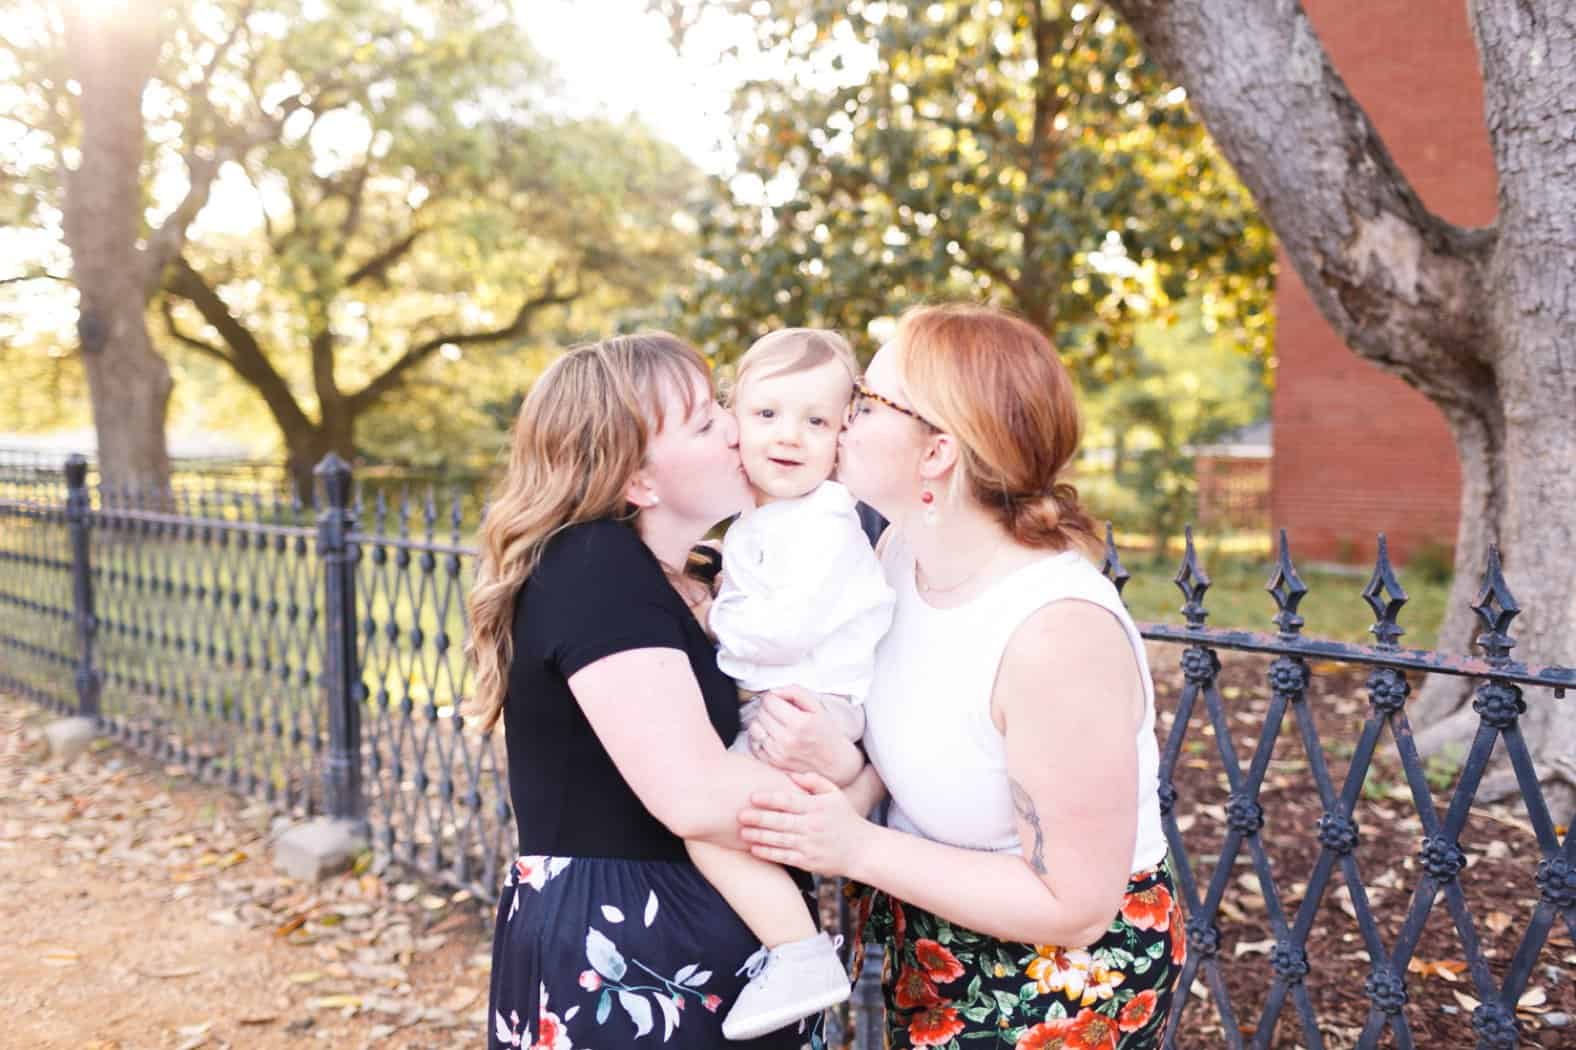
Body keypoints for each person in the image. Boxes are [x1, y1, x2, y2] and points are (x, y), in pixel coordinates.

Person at [737, 304, 1186, 1049]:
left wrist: (852, 847)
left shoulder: (1056, 635)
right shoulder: (899, 561)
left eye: (868, 402)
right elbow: (913, 746)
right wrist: (837, 759)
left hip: (1054, 982)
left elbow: (1075, 906)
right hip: (926, 938)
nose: (840, 414)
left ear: (938, 452)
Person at [466, 333, 865, 1050]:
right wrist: (858, 792)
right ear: (639, 480)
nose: (737, 429)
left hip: (692, 939)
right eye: (707, 421)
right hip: (630, 949)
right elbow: (695, 795)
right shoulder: (594, 564)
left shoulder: (695, 579)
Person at [687, 329, 895, 1040]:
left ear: (842, 437)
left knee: (708, 823)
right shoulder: (772, 517)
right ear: (733, 419)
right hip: (798, 700)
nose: (790, 436)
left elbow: (779, 631)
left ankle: (800, 954)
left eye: (817, 420)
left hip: (810, 706)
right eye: (768, 414)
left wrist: (715, 619)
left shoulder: (820, 521)